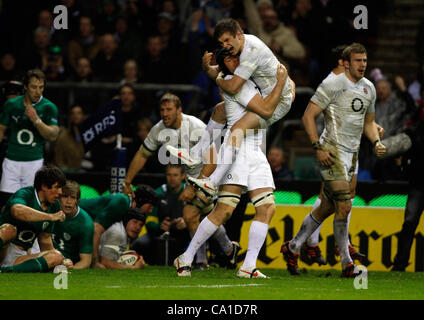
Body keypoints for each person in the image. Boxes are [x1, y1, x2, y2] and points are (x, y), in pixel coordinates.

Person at [173, 46, 287, 278]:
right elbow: (267, 109)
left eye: (237, 56)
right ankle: (185, 257)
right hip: (238, 150)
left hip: (255, 151)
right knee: (223, 211)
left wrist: (208, 67)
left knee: (267, 207)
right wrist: (282, 84)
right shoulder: (237, 84)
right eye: (231, 58)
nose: (238, 59)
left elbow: (220, 105)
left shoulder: (241, 79)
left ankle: (248, 266)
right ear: (226, 64)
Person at [281, 43, 386, 278]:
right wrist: (317, 147)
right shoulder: (332, 84)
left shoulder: (369, 88)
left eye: (365, 61)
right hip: (331, 150)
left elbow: (369, 123)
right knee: (345, 205)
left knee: (328, 206)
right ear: (346, 63)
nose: (363, 65)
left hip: (353, 155)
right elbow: (308, 115)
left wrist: (376, 142)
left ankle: (294, 246)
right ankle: (347, 263)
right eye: (358, 61)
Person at [172, 18, 295, 195]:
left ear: (239, 34)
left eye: (228, 40)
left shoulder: (250, 51)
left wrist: (216, 76)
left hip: (277, 102)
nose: (225, 46)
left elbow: (232, 85)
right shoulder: (238, 51)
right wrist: (208, 69)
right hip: (264, 94)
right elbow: (226, 73)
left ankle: (212, 182)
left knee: (237, 129)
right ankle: (196, 153)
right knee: (219, 110)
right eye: (221, 43)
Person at [122, 92, 238, 269]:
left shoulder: (196, 127)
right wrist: (128, 181)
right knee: (206, 216)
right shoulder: (158, 129)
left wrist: (193, 186)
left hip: (211, 173)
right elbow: (142, 153)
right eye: (162, 110)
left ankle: (200, 261)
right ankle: (228, 250)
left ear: (179, 110)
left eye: (169, 109)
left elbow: (213, 160)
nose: (165, 113)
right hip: (192, 177)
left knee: (191, 214)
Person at [0, 69, 59, 208]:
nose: (37, 91)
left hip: (34, 162)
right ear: (25, 86)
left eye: (41, 87)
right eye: (33, 87)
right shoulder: (11, 104)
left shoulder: (49, 107)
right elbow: (1, 129)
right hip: (11, 161)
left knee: (31, 204)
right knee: (6, 204)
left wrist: (36, 120)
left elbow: (53, 135)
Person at [0, 165, 66, 273]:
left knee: (57, 256)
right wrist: (50, 217)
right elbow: (17, 211)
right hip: (4, 248)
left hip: (21, 255)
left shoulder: (54, 205)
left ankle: (7, 271)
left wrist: (55, 262)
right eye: (57, 187)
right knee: (9, 230)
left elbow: (45, 239)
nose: (60, 192)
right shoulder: (25, 194)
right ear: (44, 186)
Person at [79, 184, 157, 268]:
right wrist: (95, 262)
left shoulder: (124, 207)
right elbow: (96, 229)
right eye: (150, 205)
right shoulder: (122, 202)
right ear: (141, 201)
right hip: (75, 215)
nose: (151, 210)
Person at [131, 164, 191, 265]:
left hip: (186, 232)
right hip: (160, 234)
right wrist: (160, 226)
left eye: (175, 175)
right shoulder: (158, 193)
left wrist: (186, 222)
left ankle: (203, 263)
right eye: (169, 175)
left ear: (183, 176)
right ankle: (143, 263)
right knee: (139, 243)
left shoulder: (190, 192)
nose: (172, 178)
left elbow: (202, 217)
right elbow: (149, 220)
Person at [391, 119, 424, 271]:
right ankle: (400, 264)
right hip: (418, 185)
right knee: (409, 224)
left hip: (417, 185)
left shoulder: (414, 131)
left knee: (409, 224)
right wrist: (402, 164)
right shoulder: (415, 131)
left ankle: (400, 264)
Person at [52, 180, 93, 269]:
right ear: (58, 197)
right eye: (65, 196)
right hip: (47, 257)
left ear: (77, 200)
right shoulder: (50, 210)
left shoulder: (85, 224)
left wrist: (70, 269)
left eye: (73, 197)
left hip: (70, 263)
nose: (68, 201)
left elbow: (86, 261)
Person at [52, 105, 86, 171]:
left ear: (83, 115)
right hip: (69, 175)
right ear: (70, 116)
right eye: (73, 113)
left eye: (79, 113)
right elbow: (59, 159)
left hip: (88, 174)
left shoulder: (89, 135)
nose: (76, 116)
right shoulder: (63, 137)